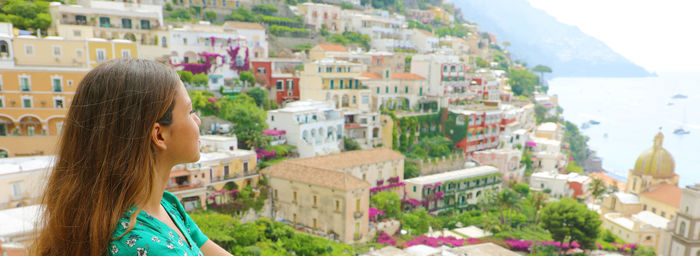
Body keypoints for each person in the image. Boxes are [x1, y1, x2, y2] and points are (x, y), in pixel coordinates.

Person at [31, 59, 231, 256]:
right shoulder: (146, 246)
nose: (197, 120)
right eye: (190, 112)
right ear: (159, 135)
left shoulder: (164, 206)